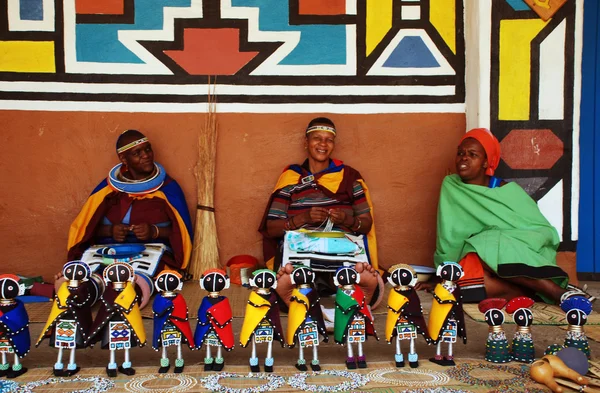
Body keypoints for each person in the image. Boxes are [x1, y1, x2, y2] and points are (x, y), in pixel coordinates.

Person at [428, 127, 572, 304]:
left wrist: (498, 238)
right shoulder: (451, 186)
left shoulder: (507, 192)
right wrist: (442, 274)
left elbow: (541, 230)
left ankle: (554, 292)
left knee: (486, 242)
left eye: (472, 154)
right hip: (473, 260)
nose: (464, 158)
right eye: (461, 153)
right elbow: (447, 235)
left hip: (511, 252)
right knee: (461, 289)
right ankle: (527, 291)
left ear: (486, 162)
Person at [258, 117, 384, 310]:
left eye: (329, 140)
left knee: (346, 269)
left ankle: (347, 287)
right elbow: (272, 228)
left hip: (342, 246)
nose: (323, 144)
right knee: (300, 270)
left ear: (333, 145)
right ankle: (321, 288)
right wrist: (302, 219)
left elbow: (366, 224)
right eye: (317, 138)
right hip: (302, 247)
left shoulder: (349, 178)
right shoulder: (290, 179)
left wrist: (346, 219)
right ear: (306, 142)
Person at [62, 130, 193, 302]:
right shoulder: (106, 191)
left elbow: (181, 233)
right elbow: (86, 228)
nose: (146, 155)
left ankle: (130, 296)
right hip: (107, 253)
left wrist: (153, 232)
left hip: (153, 255)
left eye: (148, 149)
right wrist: (110, 231)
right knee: (90, 279)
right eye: (137, 153)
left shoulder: (168, 189)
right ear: (124, 159)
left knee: (149, 276)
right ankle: (88, 293)